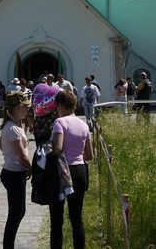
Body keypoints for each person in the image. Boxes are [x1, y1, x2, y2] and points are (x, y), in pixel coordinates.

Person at [49, 90, 93, 249]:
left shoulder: (59, 123)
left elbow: (58, 148)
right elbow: (89, 155)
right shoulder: (84, 124)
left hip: (62, 173)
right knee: (76, 219)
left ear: (60, 105)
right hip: (80, 171)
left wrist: (48, 148)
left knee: (56, 220)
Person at [0, 91, 32, 249]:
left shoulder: (13, 125)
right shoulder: (12, 128)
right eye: (24, 107)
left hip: (14, 172)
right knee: (15, 213)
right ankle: (8, 245)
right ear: (15, 108)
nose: (27, 109)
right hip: (13, 173)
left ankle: (8, 244)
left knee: (19, 211)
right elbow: (21, 155)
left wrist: (8, 151)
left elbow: (0, 144)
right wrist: (32, 168)